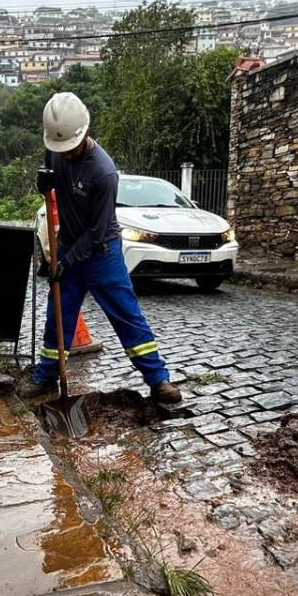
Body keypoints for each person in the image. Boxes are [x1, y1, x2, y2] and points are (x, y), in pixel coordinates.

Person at [24, 92, 182, 405]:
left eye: (69, 149)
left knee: (127, 316)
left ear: (82, 133)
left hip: (101, 254)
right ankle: (46, 376)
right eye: (60, 149)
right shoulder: (55, 146)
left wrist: (66, 261)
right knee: (59, 317)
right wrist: (44, 184)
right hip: (68, 247)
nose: (64, 154)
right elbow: (52, 180)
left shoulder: (103, 171)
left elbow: (97, 232)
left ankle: (158, 380)